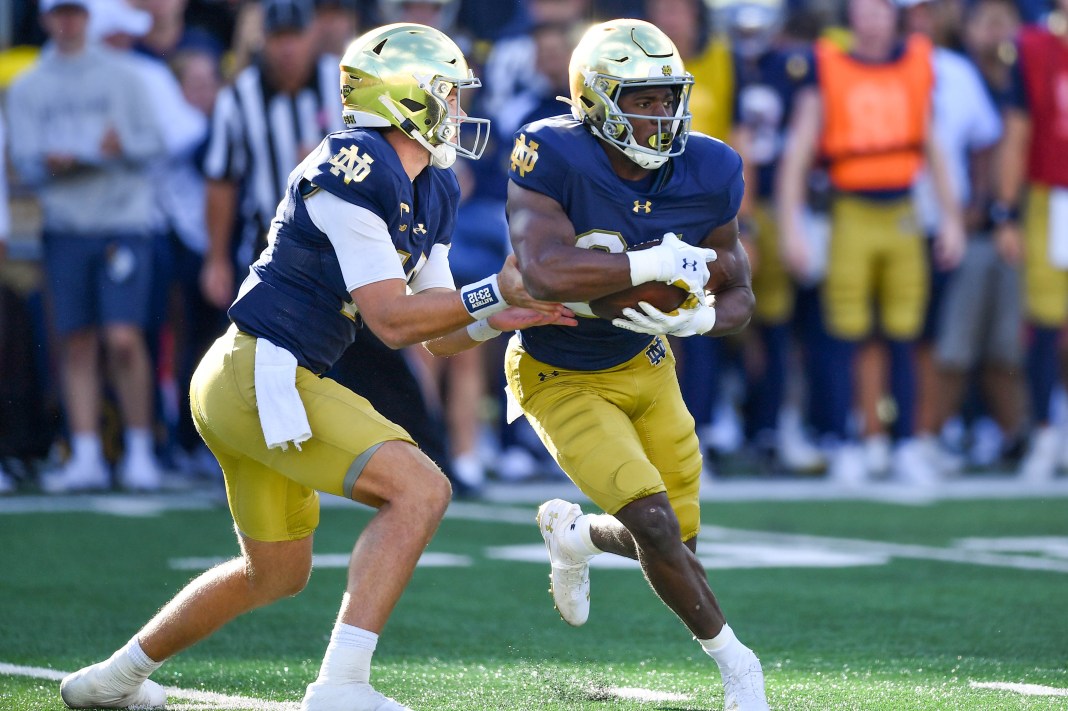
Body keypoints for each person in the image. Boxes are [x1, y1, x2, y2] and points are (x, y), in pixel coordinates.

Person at [58, 22, 573, 711]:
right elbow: (390, 319)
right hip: (261, 371)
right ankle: (341, 685)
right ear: (402, 96)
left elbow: (437, 333)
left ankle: (113, 678)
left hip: (259, 379)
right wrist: (492, 292)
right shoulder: (352, 167)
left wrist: (500, 312)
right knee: (420, 490)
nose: (457, 108)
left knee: (275, 573)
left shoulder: (433, 184)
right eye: (447, 93)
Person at [505, 19, 768, 710]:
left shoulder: (709, 168)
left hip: (646, 359)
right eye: (641, 100)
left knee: (675, 538)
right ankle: (741, 670)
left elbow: (739, 289)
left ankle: (575, 535)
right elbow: (542, 270)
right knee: (656, 527)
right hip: (558, 369)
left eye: (667, 98)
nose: (660, 115)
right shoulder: (553, 153)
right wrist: (651, 263)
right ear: (594, 100)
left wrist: (700, 319)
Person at [776, 0, 965, 485]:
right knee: (844, 332)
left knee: (905, 332)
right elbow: (798, 151)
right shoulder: (828, 66)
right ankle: (847, 439)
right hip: (850, 209)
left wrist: (951, 218)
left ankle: (905, 443)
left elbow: (934, 145)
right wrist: (791, 224)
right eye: (865, 9)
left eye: (881, 9)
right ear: (852, 16)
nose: (874, 19)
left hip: (902, 209)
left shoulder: (916, 64)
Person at [7, 0, 165, 493]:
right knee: (75, 342)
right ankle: (87, 452)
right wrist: (54, 160)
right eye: (60, 13)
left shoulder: (125, 75)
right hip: (66, 225)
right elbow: (24, 159)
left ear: (87, 18)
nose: (68, 21)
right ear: (47, 19)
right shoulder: (28, 85)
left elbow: (153, 143)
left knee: (123, 338)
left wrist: (116, 148)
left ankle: (140, 448)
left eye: (75, 12)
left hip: (122, 222)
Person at [994, 0, 1068, 481]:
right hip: (1051, 195)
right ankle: (1044, 431)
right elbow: (1017, 132)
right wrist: (1007, 212)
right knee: (1045, 322)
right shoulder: (1035, 49)